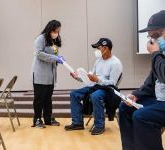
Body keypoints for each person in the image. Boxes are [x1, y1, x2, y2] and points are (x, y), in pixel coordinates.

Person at [119, 10, 165, 150]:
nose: (153, 41)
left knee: (142, 116)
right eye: (151, 37)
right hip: (160, 100)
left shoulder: (158, 54)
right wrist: (136, 95)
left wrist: (156, 54)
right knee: (126, 108)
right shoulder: (161, 54)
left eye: (157, 35)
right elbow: (152, 81)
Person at [65, 38, 123, 135]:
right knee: (74, 94)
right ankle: (77, 123)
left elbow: (112, 83)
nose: (96, 51)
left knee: (95, 95)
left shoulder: (115, 63)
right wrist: (78, 77)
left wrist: (97, 80)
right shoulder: (98, 61)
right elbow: (90, 79)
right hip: (95, 86)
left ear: (105, 48)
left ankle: (99, 125)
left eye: (98, 48)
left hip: (108, 89)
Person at [31, 20, 65, 128]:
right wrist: (56, 58)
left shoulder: (53, 41)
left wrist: (58, 59)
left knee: (48, 98)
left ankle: (48, 118)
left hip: (50, 75)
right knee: (39, 98)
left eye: (58, 31)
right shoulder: (40, 39)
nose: (57, 33)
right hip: (40, 74)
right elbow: (39, 54)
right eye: (55, 31)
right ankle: (37, 119)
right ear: (50, 29)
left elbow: (53, 54)